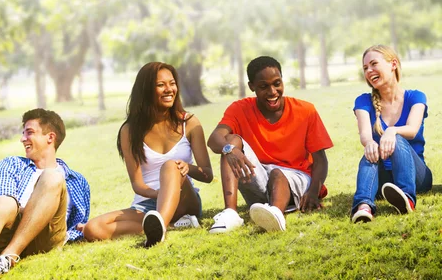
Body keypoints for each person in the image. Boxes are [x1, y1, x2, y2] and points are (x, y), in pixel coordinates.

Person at [0, 108, 90, 280]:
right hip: (8, 235)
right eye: (23, 133)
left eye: (29, 133)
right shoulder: (11, 165)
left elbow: (77, 225)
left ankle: (8, 257)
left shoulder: (76, 180)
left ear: (50, 137)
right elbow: (4, 207)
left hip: (47, 239)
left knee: (51, 177)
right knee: (5, 202)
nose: (22, 139)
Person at [83, 62, 213, 247]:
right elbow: (138, 184)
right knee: (93, 228)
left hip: (185, 200)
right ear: (146, 90)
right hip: (147, 204)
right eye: (161, 85)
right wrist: (161, 194)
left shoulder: (189, 123)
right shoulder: (129, 131)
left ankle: (160, 229)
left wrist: (188, 168)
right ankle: (171, 225)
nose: (169, 89)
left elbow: (207, 175)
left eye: (172, 83)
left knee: (170, 165)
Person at [207, 56, 333, 233]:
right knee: (231, 141)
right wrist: (230, 150)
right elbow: (214, 139)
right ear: (252, 86)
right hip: (260, 177)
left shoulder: (305, 110)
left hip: (297, 177)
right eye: (264, 86)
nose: (273, 91)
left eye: (277, 83)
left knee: (277, 173)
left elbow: (321, 160)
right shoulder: (239, 108)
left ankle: (276, 215)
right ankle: (231, 213)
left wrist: (313, 192)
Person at [351, 45, 433, 223]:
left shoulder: (416, 97)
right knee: (370, 151)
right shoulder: (363, 101)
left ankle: (407, 198)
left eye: (374, 64)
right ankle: (364, 206)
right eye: (365, 68)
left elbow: (412, 129)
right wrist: (370, 143)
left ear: (393, 64)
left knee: (396, 137)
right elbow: (365, 134)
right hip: (384, 180)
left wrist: (392, 130)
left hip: (417, 176)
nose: (369, 71)